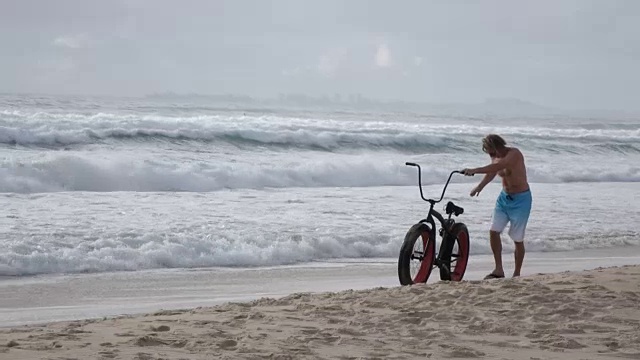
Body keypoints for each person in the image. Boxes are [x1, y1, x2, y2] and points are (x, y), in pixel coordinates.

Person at [462, 134, 532, 279]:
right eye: (488, 152)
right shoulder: (494, 157)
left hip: (521, 200)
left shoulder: (514, 154)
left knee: (517, 238)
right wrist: (479, 187)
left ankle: (517, 273)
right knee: (494, 231)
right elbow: (492, 172)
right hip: (504, 198)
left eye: (491, 151)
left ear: (497, 146)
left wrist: (475, 170)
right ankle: (498, 269)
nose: (490, 154)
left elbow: (500, 166)